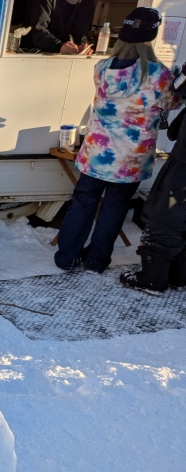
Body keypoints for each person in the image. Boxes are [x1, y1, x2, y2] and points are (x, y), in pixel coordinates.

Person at [54, 7, 182, 274]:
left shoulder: (102, 68)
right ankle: (97, 261)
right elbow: (172, 103)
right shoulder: (159, 75)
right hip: (131, 159)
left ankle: (66, 257)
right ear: (151, 38)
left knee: (83, 203)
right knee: (114, 209)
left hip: (96, 153)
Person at [120, 86, 186, 294]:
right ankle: (178, 275)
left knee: (165, 217)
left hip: (182, 170)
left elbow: (175, 129)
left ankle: (152, 278)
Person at [22, 0, 95, 55]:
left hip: (62, 57)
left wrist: (82, 47)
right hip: (32, 54)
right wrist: (59, 46)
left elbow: (81, 33)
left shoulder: (87, 3)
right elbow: (38, 31)